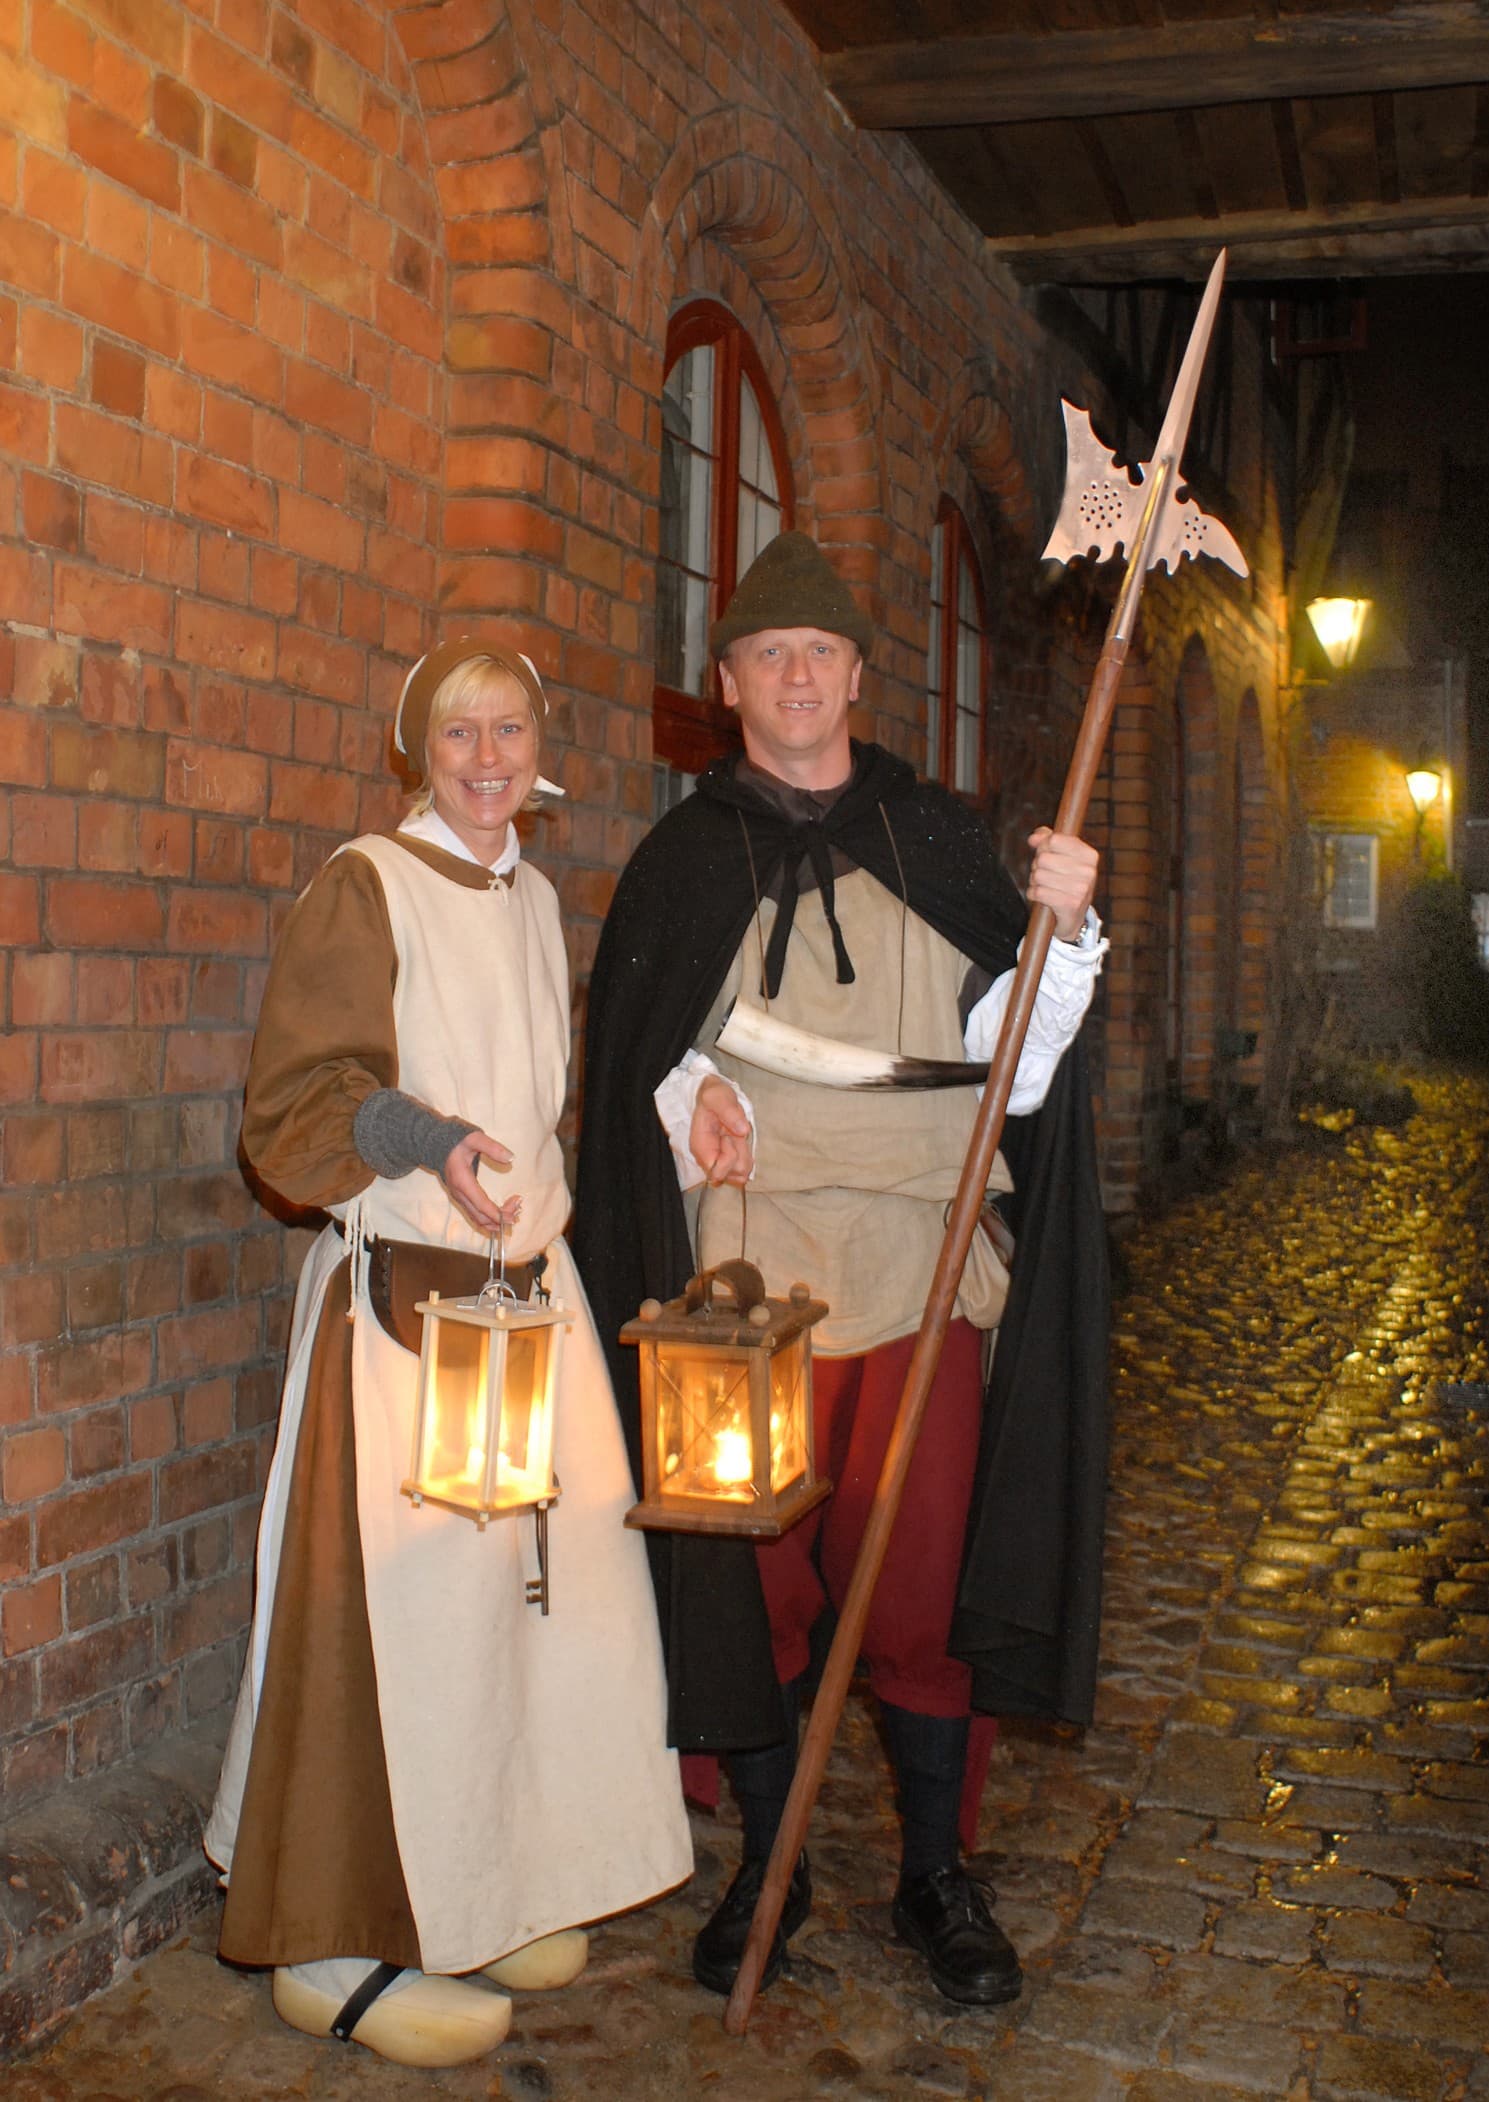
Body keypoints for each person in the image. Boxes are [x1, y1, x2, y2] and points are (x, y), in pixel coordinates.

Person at [573, 532, 1112, 2009]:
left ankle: (937, 1870)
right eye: (769, 655)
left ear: (859, 680)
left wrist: (1065, 925)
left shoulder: (935, 837)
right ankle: (775, 1855)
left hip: (925, 1263)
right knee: (758, 1581)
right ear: (728, 679)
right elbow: (631, 1070)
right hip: (752, 1277)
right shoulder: (684, 861)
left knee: (923, 1580)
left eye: (823, 655)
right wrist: (692, 1092)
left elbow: (1030, 1060)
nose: (797, 675)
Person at [205, 639, 692, 2068]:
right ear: (418, 750)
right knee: (382, 1640)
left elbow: (549, 1104)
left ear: (541, 748)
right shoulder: (369, 883)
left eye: (511, 728)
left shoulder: (535, 896)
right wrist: (432, 1144)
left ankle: (470, 1894)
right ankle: (331, 1943)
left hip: (526, 1318)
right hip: (406, 1329)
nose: (488, 756)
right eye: (459, 732)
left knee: (512, 1635)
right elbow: (300, 1103)